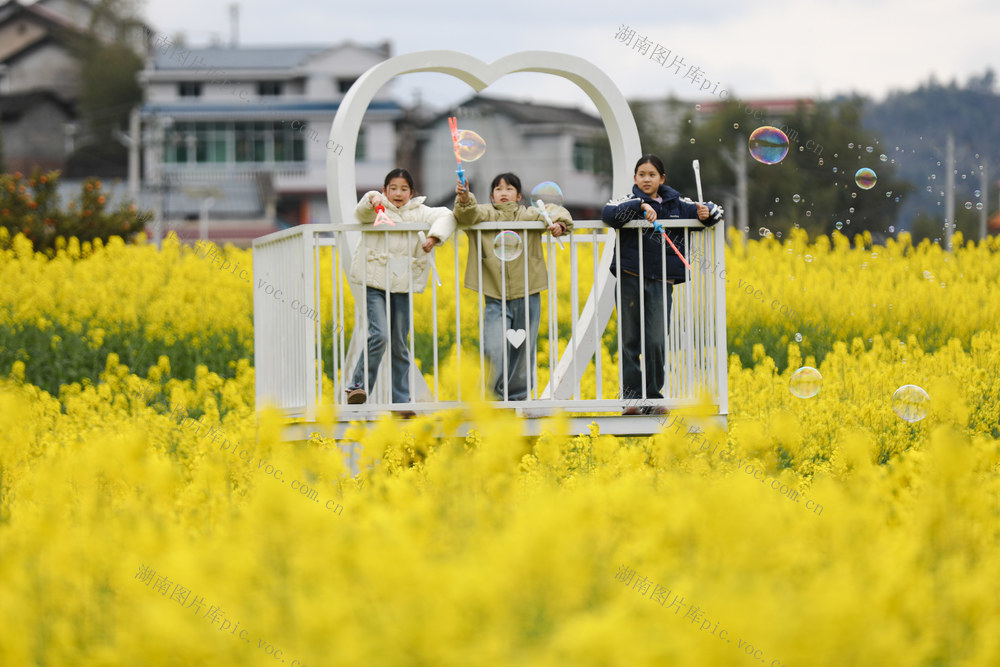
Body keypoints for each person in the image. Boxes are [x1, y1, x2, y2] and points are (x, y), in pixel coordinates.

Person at [601, 154, 723, 415]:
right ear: (635, 178)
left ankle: (654, 398)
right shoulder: (627, 201)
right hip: (629, 278)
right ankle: (632, 400)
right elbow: (609, 214)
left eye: (652, 175)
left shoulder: (677, 204)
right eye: (642, 174)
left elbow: (712, 211)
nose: (647, 179)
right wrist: (641, 207)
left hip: (661, 281)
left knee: (655, 340)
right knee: (629, 340)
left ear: (662, 178)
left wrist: (708, 213)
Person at [442, 172, 571, 401]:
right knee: (494, 347)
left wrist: (560, 224)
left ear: (519, 196)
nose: (504, 192)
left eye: (509, 188)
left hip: (528, 293)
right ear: (491, 196)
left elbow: (555, 211)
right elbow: (467, 214)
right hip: (494, 295)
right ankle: (494, 397)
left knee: (523, 350)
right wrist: (464, 198)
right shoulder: (484, 213)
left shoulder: (529, 214)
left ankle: (518, 398)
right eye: (498, 189)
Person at [345, 168, 455, 416]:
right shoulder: (378, 206)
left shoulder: (419, 211)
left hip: (401, 283)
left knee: (399, 343)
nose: (398, 193)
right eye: (392, 188)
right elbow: (360, 211)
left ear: (412, 193)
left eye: (404, 189)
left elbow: (447, 215)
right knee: (380, 334)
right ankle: (357, 387)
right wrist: (373, 199)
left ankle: (400, 401)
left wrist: (434, 238)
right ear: (385, 191)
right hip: (375, 282)